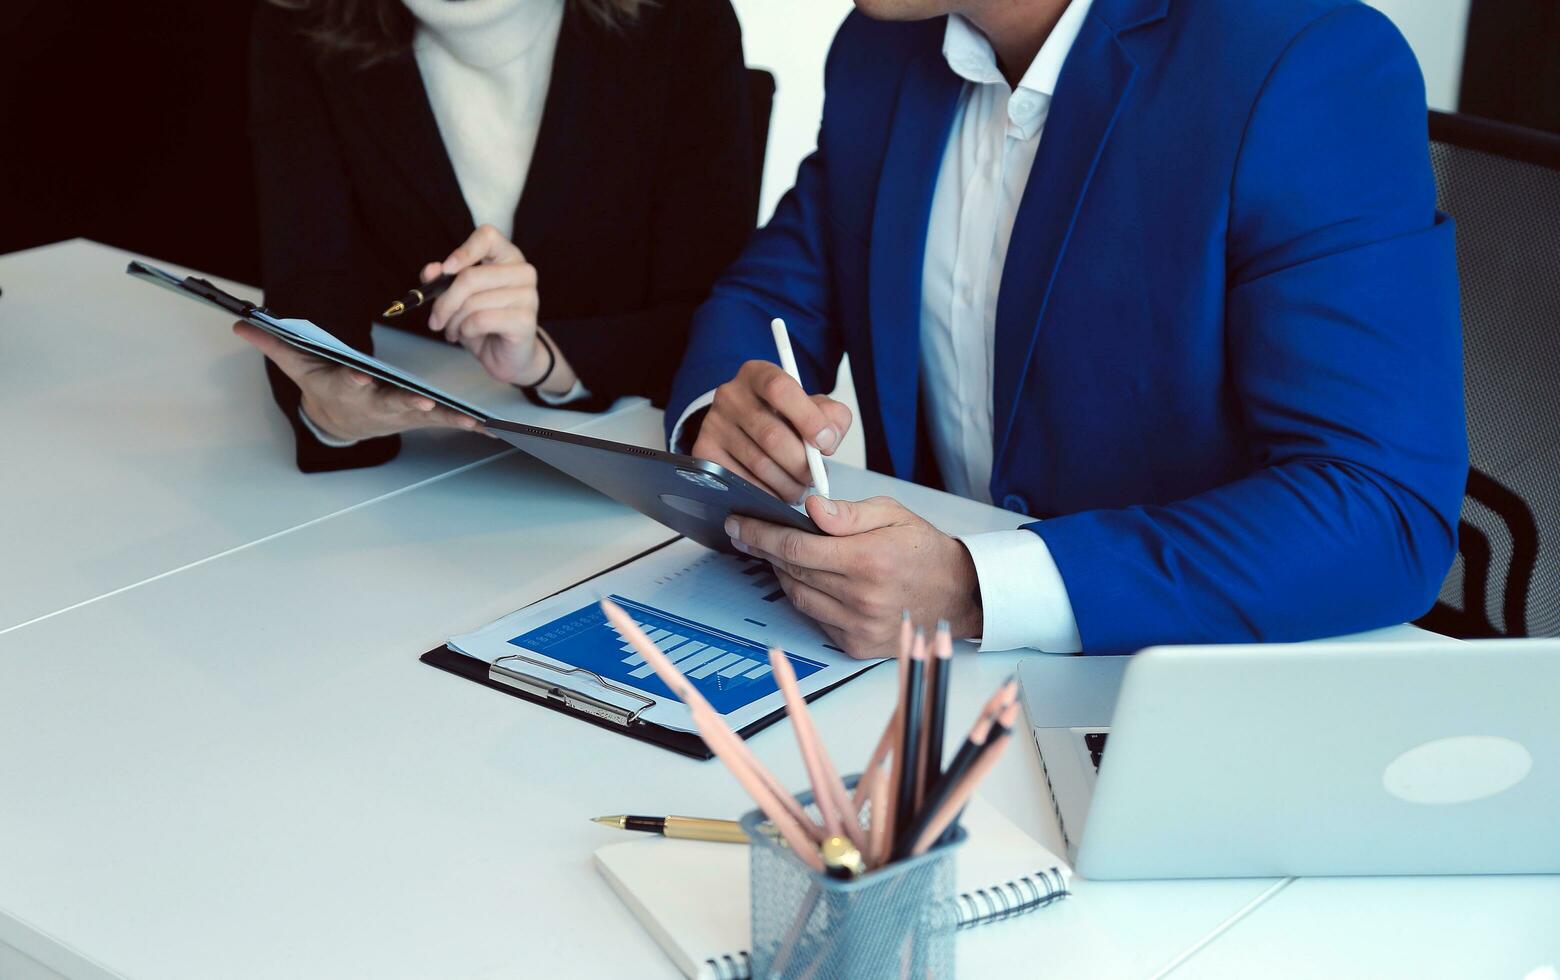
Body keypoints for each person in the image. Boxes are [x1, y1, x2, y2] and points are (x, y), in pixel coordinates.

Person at [665, 0, 1468, 657]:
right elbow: (771, 292)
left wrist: (972, 587)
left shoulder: (1305, 61)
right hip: (929, 687)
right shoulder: (880, 48)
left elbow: (1382, 508)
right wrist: (722, 414)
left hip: (1200, 693)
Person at [241, 0, 756, 471]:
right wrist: (333, 414)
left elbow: (715, 318)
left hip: (620, 472)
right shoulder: (303, 19)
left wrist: (549, 359)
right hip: (411, 477)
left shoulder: (684, 17)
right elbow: (310, 270)